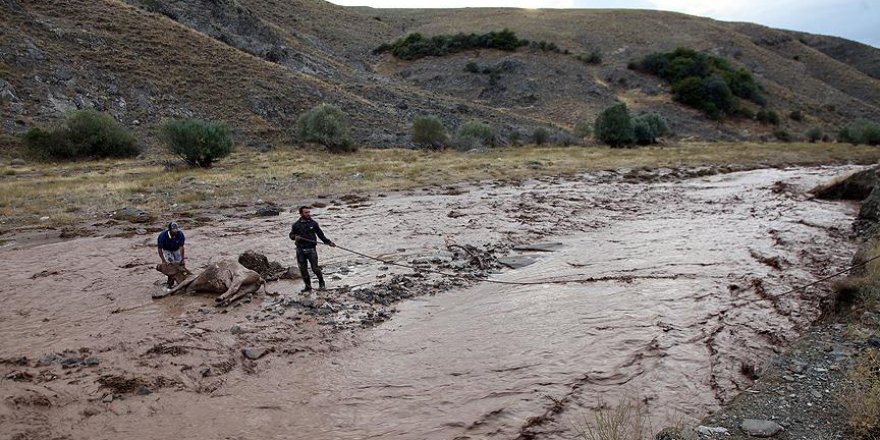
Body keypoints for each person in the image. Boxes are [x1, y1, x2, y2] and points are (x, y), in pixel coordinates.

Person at [289, 206, 335, 292]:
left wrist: (328, 242)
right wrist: (295, 237)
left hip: (311, 249)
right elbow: (291, 235)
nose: (308, 214)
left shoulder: (313, 224)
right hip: (300, 250)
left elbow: (320, 235)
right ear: (301, 214)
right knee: (303, 270)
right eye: (306, 212)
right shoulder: (296, 225)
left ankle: (322, 284)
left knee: (315, 268)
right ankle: (308, 287)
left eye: (308, 212)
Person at [157, 222, 186, 288]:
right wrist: (163, 261)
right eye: (174, 230)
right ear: (169, 230)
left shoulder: (180, 234)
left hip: (176, 249)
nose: (175, 231)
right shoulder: (162, 236)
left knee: (180, 264)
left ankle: (182, 279)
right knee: (170, 264)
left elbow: (181, 247)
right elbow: (159, 249)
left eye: (176, 230)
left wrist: (182, 258)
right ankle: (170, 282)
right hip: (167, 250)